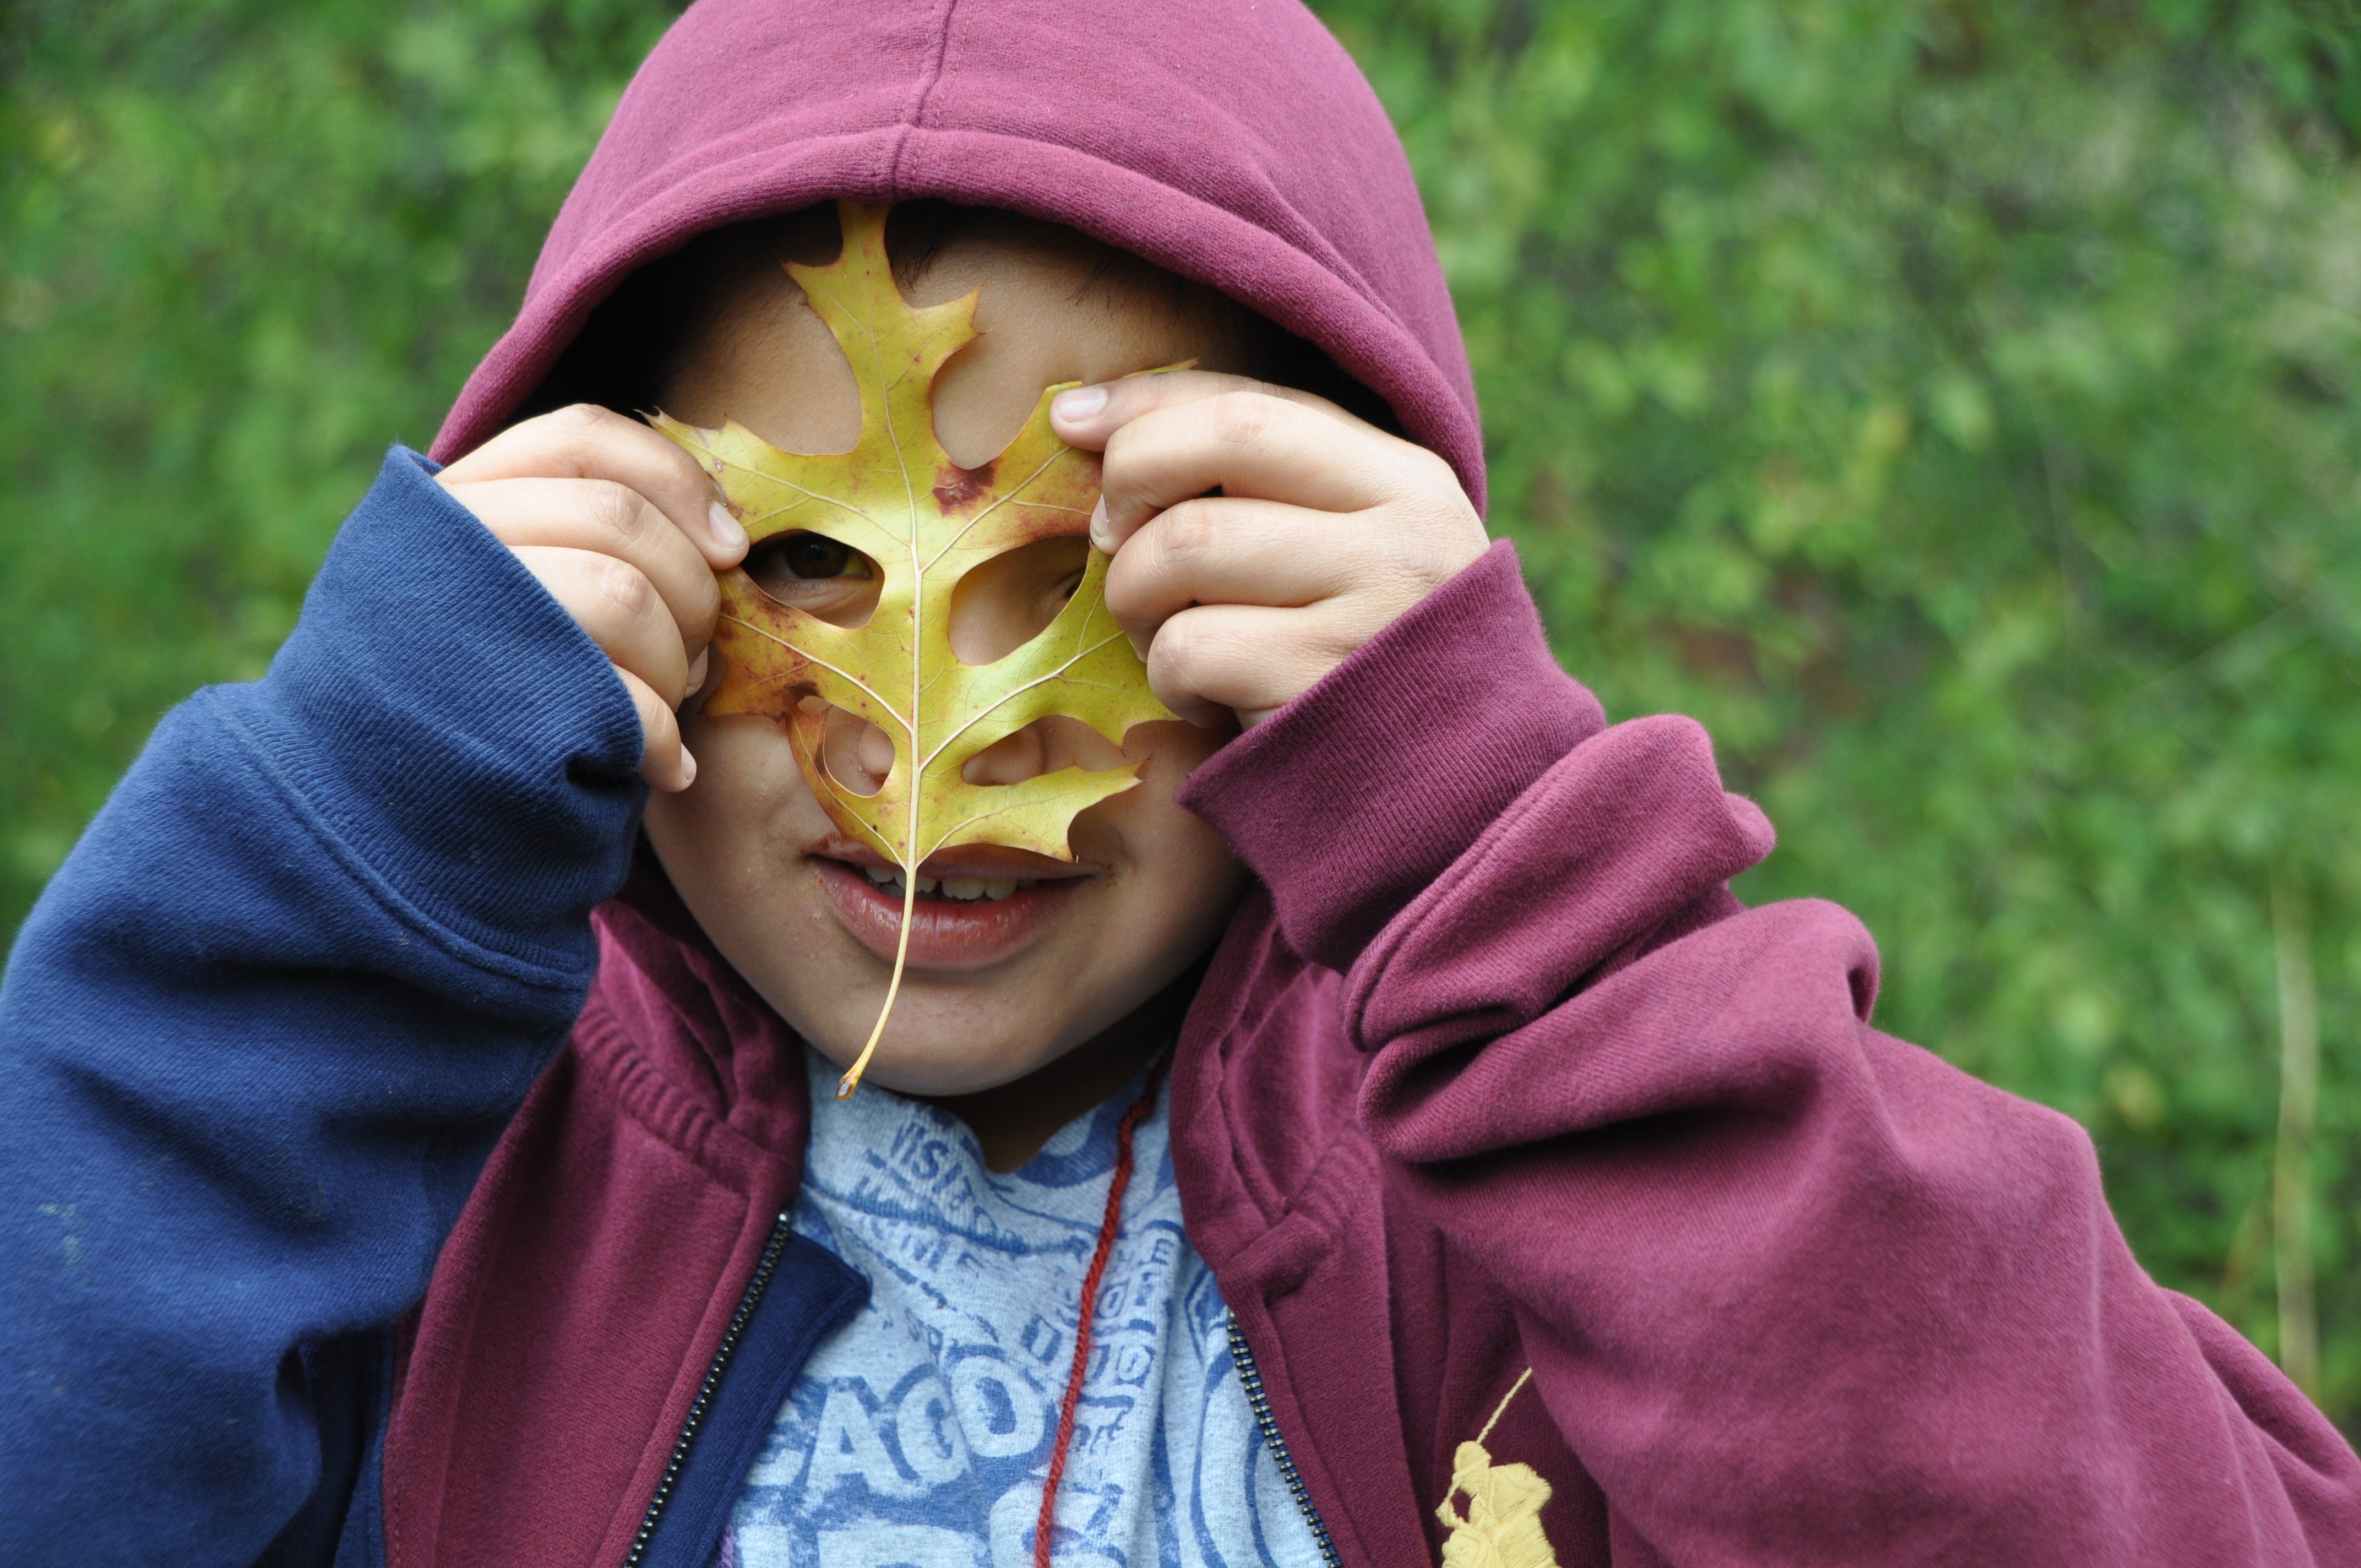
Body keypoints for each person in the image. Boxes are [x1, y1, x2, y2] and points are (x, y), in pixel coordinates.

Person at [3, 2, 2355, 1565]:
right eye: (800, 560)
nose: (933, 734)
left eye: (1091, 583)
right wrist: (323, 883)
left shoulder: (1561, 1223)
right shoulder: (412, 1183)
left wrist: (1543, 926)